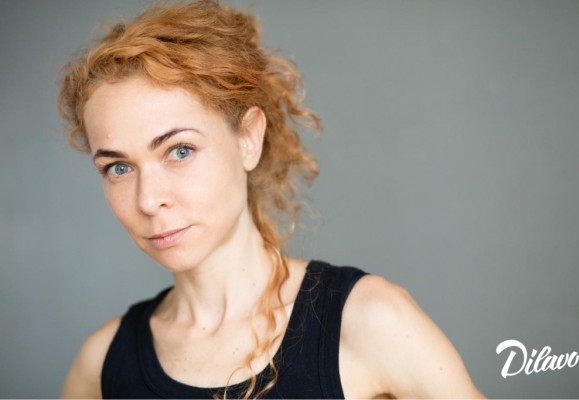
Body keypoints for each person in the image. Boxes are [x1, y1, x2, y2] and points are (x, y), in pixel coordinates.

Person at [58, 1, 484, 398]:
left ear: (248, 139)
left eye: (180, 150)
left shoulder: (367, 321)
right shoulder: (102, 364)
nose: (149, 200)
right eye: (118, 168)